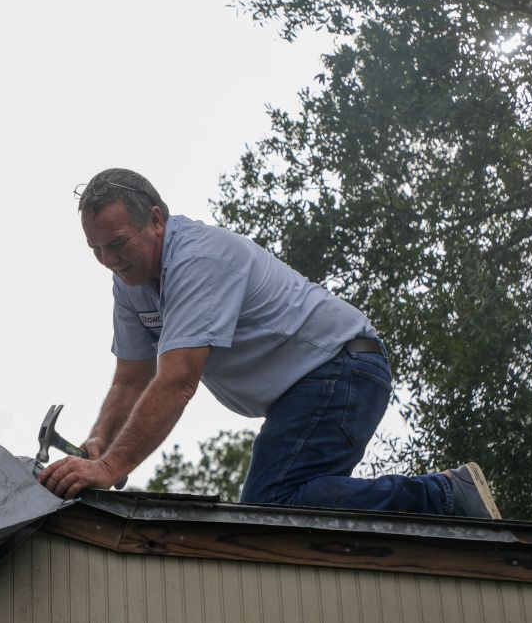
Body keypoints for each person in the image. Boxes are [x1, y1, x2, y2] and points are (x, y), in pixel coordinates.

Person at [38, 168, 501, 519]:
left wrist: (112, 467)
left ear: (156, 220)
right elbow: (131, 379)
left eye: (117, 244)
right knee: (286, 507)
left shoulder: (198, 258)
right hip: (309, 387)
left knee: (270, 507)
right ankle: (438, 502)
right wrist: (97, 446)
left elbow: (177, 380)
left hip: (341, 369)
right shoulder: (130, 283)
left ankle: (442, 496)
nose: (108, 261)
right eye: (96, 250)